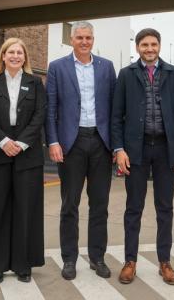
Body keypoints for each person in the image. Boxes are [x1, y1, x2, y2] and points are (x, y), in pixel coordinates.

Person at [112, 28, 174, 285]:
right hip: (136, 149)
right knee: (133, 207)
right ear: (137, 47)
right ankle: (130, 261)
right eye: (144, 44)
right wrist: (119, 149)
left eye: (153, 44)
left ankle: (165, 262)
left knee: (165, 207)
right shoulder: (126, 74)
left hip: (166, 149)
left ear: (159, 46)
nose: (149, 49)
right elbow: (116, 116)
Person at [0, 38, 47, 284]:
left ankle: (23, 265)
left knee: (26, 209)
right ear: (3, 56)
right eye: (10, 52)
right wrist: (3, 142)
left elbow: (40, 115)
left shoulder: (35, 83)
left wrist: (21, 143)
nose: (15, 56)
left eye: (19, 53)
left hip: (27, 153)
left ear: (25, 58)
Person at [46, 21, 116, 280]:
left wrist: (117, 145)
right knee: (69, 204)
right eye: (80, 37)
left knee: (100, 204)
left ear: (93, 40)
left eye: (88, 38)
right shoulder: (57, 67)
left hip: (101, 142)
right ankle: (69, 259)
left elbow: (115, 108)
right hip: (70, 144)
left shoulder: (106, 67)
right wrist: (53, 141)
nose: (84, 42)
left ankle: (97, 257)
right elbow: (50, 108)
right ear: (72, 40)